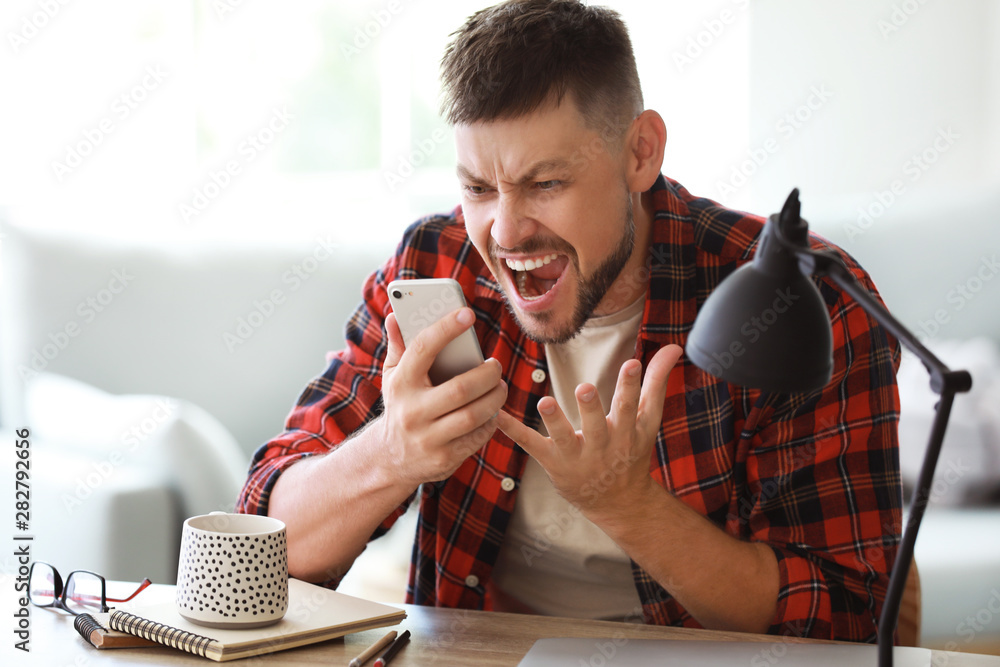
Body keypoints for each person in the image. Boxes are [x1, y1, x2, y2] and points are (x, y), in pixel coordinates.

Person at [238, 0, 902, 642]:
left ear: (640, 152)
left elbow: (847, 616)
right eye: (478, 188)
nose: (503, 230)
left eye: (546, 183)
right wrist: (392, 454)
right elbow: (263, 540)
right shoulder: (436, 264)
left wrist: (630, 507)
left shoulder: (796, 300)